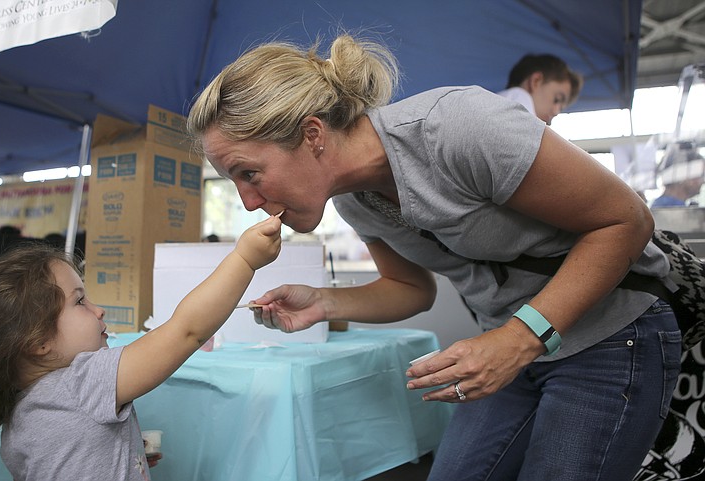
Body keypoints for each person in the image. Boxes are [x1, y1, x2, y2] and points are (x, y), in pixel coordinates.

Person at [186, 34, 681, 481]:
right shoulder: (354, 199)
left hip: (613, 333)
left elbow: (626, 221)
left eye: (249, 173)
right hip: (513, 343)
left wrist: (518, 338)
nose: (249, 203)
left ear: (313, 134)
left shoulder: (458, 127)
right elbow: (411, 290)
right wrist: (324, 302)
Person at [0, 215, 282, 480]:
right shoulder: (80, 382)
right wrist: (244, 260)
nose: (99, 309)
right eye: (80, 302)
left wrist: (117, 460)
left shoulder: (21, 415)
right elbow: (186, 331)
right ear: (37, 343)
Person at [497, 53, 583, 125]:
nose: (556, 112)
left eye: (561, 109)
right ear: (536, 81)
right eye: (557, 99)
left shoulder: (500, 104)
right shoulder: (519, 96)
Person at [650, 141, 704, 207]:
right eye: (701, 175)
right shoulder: (671, 209)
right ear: (683, 176)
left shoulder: (659, 205)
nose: (703, 181)